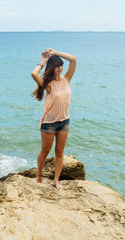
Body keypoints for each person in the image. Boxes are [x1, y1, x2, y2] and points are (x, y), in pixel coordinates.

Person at [31, 48, 77, 190]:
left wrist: (55, 52)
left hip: (64, 121)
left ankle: (56, 181)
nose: (60, 68)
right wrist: (43, 61)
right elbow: (33, 73)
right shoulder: (48, 84)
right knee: (45, 151)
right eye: (57, 66)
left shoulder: (66, 80)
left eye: (61, 65)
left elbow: (73, 59)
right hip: (49, 123)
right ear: (52, 67)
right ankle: (39, 175)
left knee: (59, 152)